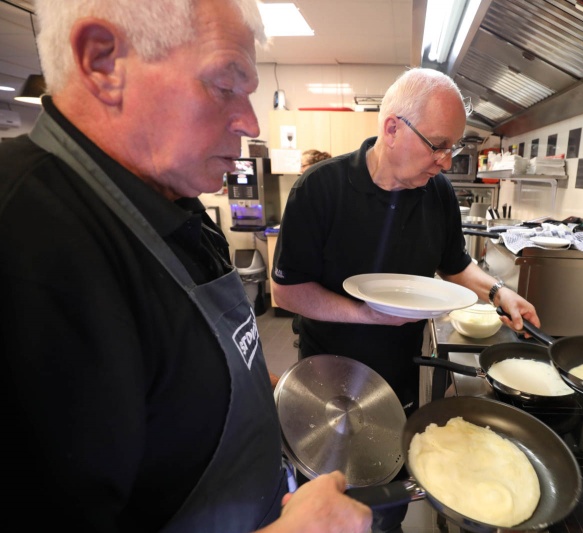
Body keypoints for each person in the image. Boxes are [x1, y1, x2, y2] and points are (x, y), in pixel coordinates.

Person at [0, 1, 371, 532]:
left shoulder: (177, 199)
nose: (250, 122)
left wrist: (272, 395)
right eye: (226, 85)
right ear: (103, 62)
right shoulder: (26, 243)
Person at [270, 68, 541, 530]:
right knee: (330, 499)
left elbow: (454, 264)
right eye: (437, 145)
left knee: (386, 504)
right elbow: (287, 292)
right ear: (392, 128)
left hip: (397, 373)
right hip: (328, 376)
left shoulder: (436, 193)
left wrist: (499, 291)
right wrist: (369, 316)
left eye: (452, 147)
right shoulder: (320, 189)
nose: (446, 160)